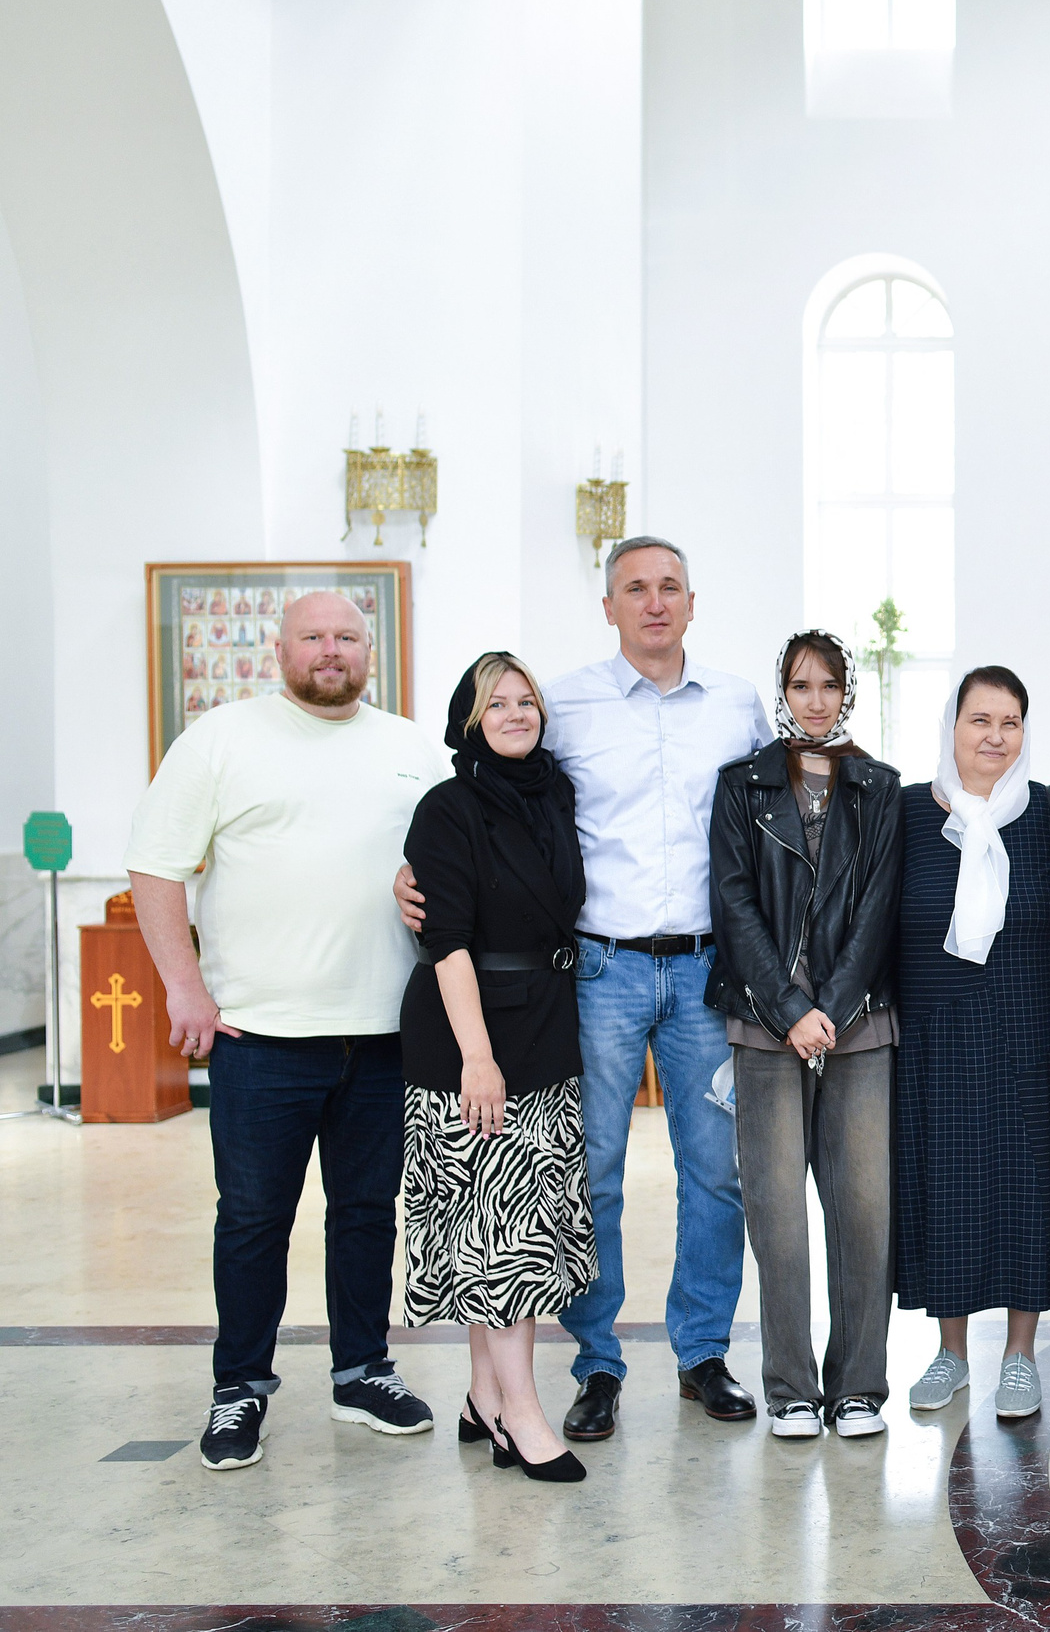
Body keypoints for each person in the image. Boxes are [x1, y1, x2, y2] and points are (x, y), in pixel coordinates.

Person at [396, 537, 769, 1441]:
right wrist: (419, 881)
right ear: (608, 606)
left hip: (705, 969)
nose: (653, 601)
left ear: (692, 600)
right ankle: (595, 1362)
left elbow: (777, 818)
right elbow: (497, 793)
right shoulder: (566, 704)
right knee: (587, 1175)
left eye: (669, 586)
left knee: (715, 1173)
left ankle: (702, 1351)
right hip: (596, 970)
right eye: (634, 588)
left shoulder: (736, 704)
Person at [128, 590, 444, 1471]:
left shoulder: (409, 747)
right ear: (280, 649)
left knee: (366, 1214)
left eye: (346, 636)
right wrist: (182, 985)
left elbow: (448, 863)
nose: (330, 650)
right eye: (313, 636)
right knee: (256, 1219)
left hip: (383, 1032)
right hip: (259, 1037)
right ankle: (239, 1388)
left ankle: (362, 1371)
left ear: (368, 648)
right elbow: (155, 863)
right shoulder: (222, 739)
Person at [399, 653, 595, 1482]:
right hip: (469, 1039)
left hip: (546, 1026)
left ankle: (484, 1394)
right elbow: (444, 941)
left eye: (528, 700)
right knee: (505, 1242)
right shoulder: (446, 809)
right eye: (497, 703)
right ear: (469, 718)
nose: (517, 713)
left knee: (503, 1230)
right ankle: (523, 1413)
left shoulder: (553, 792)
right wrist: (477, 1058)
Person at [706, 630, 902, 1441]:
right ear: (780, 691)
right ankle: (788, 1387)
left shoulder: (878, 785)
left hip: (857, 1026)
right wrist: (790, 1009)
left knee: (862, 1210)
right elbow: (734, 903)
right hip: (764, 1025)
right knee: (776, 1213)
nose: (814, 698)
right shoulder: (741, 785)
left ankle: (858, 1386)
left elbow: (879, 908)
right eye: (799, 684)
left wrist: (833, 1005)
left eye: (828, 684)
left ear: (846, 691)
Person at [894, 667, 1050, 1422]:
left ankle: (1021, 1357)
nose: (995, 736)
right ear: (952, 726)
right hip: (936, 1031)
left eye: (1010, 721)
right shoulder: (906, 811)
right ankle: (951, 1354)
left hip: (1031, 1024)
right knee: (948, 1187)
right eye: (979, 719)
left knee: (1030, 1187)